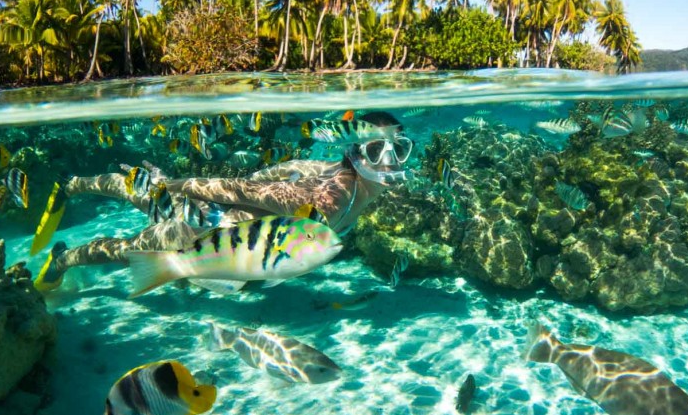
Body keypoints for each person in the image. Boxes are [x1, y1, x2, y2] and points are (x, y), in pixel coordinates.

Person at [32, 111, 411, 292]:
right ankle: (63, 255)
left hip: (222, 232)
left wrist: (253, 184)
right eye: (378, 150)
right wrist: (176, 186)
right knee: (128, 246)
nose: (390, 161)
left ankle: (71, 186)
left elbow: (282, 169)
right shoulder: (330, 201)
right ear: (357, 152)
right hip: (205, 228)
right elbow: (242, 190)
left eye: (400, 149)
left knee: (141, 196)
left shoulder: (331, 168)